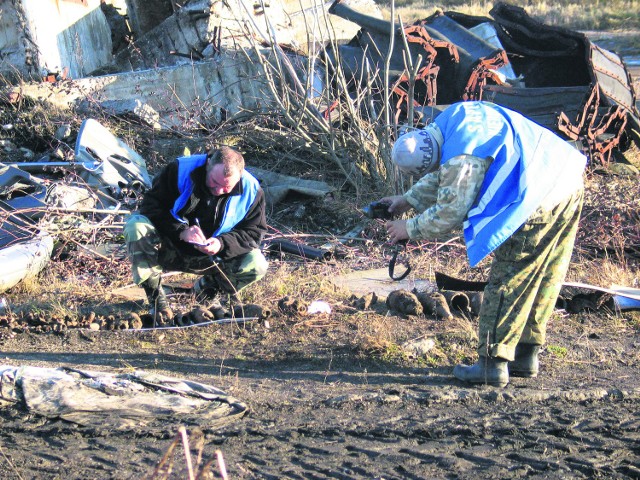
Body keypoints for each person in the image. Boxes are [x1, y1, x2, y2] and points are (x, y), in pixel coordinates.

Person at [379, 101, 586, 387]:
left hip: (535, 194)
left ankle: (492, 363)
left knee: (510, 277)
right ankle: (525, 355)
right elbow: (446, 173)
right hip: (565, 176)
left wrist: (409, 228)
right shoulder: (454, 118)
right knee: (545, 275)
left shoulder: (460, 158)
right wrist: (408, 200)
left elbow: (450, 211)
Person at [124, 146, 269, 325]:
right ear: (208, 165)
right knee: (136, 225)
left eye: (226, 187)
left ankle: (208, 291)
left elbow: (254, 233)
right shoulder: (179, 170)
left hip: (215, 257)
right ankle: (156, 300)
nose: (218, 190)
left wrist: (221, 243)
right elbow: (150, 206)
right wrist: (180, 230)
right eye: (214, 183)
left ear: (239, 177)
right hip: (171, 247)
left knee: (257, 264)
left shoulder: (252, 191)